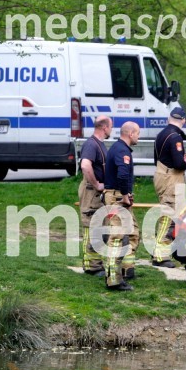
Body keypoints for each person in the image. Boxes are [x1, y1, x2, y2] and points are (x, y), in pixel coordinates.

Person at [102, 122, 142, 291]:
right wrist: (125, 196)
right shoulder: (122, 150)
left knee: (132, 232)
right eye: (138, 133)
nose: (139, 137)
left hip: (119, 196)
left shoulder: (118, 148)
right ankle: (113, 280)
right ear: (131, 133)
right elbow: (123, 174)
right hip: (118, 198)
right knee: (117, 238)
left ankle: (126, 270)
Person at [152, 106, 186, 267]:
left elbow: (159, 157)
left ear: (169, 118)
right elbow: (177, 163)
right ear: (183, 120)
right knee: (168, 217)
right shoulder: (175, 137)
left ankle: (162, 250)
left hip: (161, 175)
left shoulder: (161, 134)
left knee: (169, 215)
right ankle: (160, 256)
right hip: (171, 179)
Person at [78, 115, 112, 276]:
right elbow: (85, 165)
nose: (111, 129)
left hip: (98, 194)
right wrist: (96, 184)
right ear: (104, 127)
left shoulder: (99, 145)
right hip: (91, 193)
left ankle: (96, 263)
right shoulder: (91, 144)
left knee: (99, 226)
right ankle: (91, 266)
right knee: (91, 226)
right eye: (110, 126)